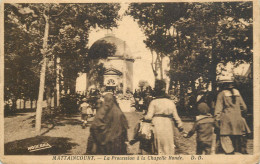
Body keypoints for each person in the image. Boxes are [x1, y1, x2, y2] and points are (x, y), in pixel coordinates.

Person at [144, 80, 184, 155]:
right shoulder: (170, 102)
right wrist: (180, 126)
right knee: (168, 145)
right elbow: (176, 117)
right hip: (167, 125)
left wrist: (144, 117)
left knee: (158, 146)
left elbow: (149, 117)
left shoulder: (153, 102)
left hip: (157, 125)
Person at [214, 78, 251, 154]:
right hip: (238, 120)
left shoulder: (221, 94)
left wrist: (217, 120)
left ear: (223, 85)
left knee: (224, 137)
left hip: (227, 121)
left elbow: (218, 109)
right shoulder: (237, 93)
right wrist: (240, 115)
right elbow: (244, 108)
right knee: (238, 137)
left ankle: (230, 152)